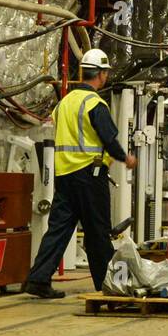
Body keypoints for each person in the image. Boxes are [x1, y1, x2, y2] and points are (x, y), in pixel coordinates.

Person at [24, 48, 137, 298]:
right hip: (89, 175)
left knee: (59, 229)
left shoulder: (64, 102)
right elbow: (108, 138)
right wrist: (125, 158)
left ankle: (38, 278)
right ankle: (107, 283)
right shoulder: (95, 103)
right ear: (102, 75)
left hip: (64, 176)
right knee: (98, 231)